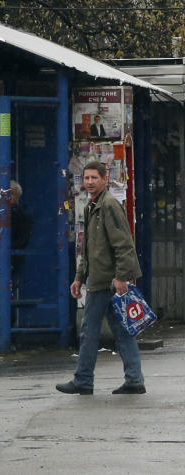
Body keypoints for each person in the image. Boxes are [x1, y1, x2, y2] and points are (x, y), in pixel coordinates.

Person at [56, 160, 146, 396]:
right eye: (86, 178)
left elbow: (124, 244)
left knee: (88, 331)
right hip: (99, 278)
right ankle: (135, 380)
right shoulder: (91, 206)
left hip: (106, 281)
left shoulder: (108, 205)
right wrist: (78, 278)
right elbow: (88, 249)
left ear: (105, 179)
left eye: (94, 178)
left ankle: (83, 380)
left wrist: (120, 276)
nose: (89, 182)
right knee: (122, 331)